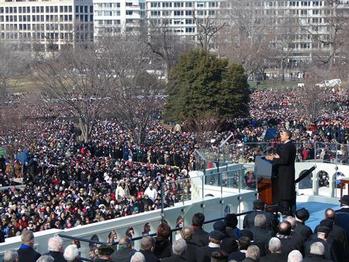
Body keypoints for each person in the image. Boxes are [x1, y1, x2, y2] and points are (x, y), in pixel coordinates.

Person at [266, 130, 296, 215]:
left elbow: (284, 160)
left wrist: (273, 159)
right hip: (283, 173)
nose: (280, 136)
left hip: (286, 173)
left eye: (282, 134)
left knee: (285, 192)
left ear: (288, 136)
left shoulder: (289, 146)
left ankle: (286, 212)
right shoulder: (285, 145)